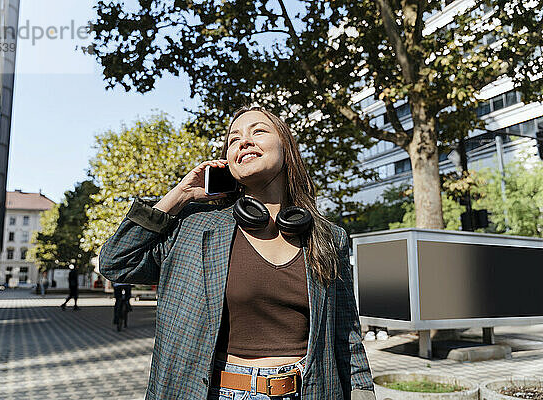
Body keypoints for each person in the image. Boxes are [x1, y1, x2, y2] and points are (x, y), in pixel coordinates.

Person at [99, 106, 375, 399]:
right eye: (233, 139)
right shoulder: (193, 226)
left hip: (309, 391)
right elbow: (116, 262)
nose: (243, 141)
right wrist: (180, 195)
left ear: (287, 149)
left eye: (258, 131)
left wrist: (361, 391)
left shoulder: (329, 237)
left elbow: (347, 332)